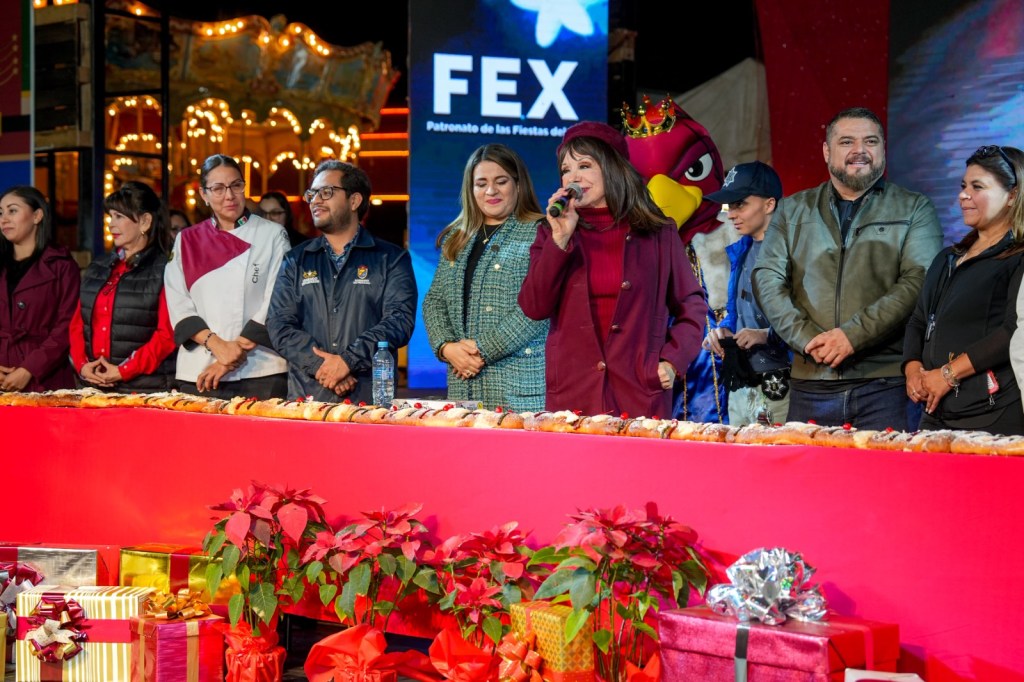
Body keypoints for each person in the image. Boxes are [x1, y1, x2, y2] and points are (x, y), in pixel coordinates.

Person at [752, 107, 943, 430]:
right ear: (827, 151)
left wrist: (852, 337)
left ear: (883, 149)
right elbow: (767, 279)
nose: (860, 151)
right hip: (809, 381)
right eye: (846, 142)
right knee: (810, 481)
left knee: (884, 481)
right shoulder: (792, 209)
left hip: (884, 386)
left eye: (870, 141)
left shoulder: (914, 207)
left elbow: (918, 280)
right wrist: (808, 339)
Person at [518, 121, 706, 418]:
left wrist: (672, 360)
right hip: (574, 394)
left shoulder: (657, 232)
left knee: (637, 466)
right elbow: (534, 306)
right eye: (566, 170)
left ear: (612, 166)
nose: (573, 177)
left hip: (639, 392)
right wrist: (560, 239)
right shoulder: (551, 233)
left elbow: (692, 304)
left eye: (584, 165)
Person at [268, 160, 416, 403]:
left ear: (355, 201)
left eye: (326, 192)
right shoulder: (296, 259)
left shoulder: (391, 258)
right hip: (308, 397)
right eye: (312, 194)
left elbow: (399, 321)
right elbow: (279, 324)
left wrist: (348, 361)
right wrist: (322, 367)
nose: (315, 200)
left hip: (369, 399)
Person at [907, 145, 1024, 434]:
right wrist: (913, 371)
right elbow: (919, 320)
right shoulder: (947, 258)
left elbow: (1013, 330)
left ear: (1012, 195)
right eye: (963, 186)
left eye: (977, 186)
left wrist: (947, 375)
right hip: (933, 412)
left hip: (991, 412)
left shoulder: (1018, 257)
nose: (963, 195)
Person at [422, 144, 549, 411]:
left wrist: (481, 350)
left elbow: (540, 310)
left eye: (500, 181)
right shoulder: (456, 237)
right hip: (462, 385)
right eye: (481, 184)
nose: (490, 191)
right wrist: (446, 347)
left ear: (518, 184)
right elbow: (434, 301)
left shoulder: (542, 232)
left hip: (520, 389)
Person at [164, 154, 290, 399]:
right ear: (204, 194)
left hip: (261, 367)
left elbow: (277, 298)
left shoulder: (272, 234)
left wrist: (229, 358)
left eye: (236, 185)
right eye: (218, 189)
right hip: (199, 368)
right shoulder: (187, 240)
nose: (229, 196)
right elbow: (178, 303)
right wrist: (217, 345)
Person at [702, 161, 791, 425]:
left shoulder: (793, 253)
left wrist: (765, 335)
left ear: (769, 204)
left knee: (776, 460)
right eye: (729, 206)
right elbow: (736, 311)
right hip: (741, 380)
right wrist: (723, 330)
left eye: (740, 204)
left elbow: (812, 320)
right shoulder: (741, 250)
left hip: (780, 381)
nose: (730, 214)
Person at [69, 181, 177, 392]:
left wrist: (124, 370)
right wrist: (83, 366)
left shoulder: (166, 269)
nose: (111, 224)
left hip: (145, 388)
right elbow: (77, 324)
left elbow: (166, 335)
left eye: (119, 216)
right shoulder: (98, 266)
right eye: (110, 216)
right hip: (94, 385)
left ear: (145, 222)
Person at [0, 186, 79, 392]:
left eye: (13, 210)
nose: (4, 219)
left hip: (45, 379)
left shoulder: (61, 265)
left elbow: (67, 326)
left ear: (37, 216)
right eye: (1, 213)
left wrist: (29, 368)